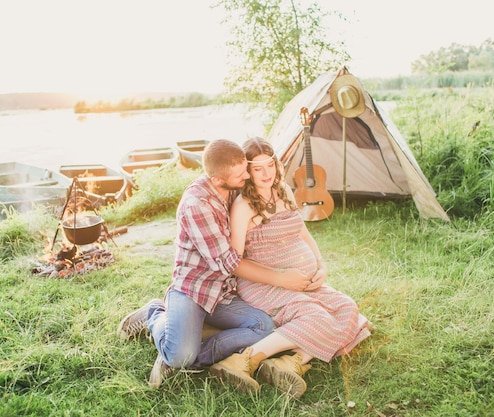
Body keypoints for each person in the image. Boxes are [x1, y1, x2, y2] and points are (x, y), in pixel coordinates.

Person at [117, 139, 314, 388]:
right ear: (219, 180)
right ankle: (155, 315)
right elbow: (229, 262)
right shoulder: (197, 206)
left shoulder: (232, 186)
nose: (248, 176)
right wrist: (278, 272)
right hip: (194, 290)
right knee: (180, 354)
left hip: (225, 293)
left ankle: (185, 350)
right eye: (243, 174)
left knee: (263, 327)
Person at [209, 137, 372, 398]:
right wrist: (281, 278)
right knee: (316, 316)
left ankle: (290, 361)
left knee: (347, 307)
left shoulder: (283, 189)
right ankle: (242, 362)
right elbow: (234, 262)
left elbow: (302, 231)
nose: (266, 173)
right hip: (264, 285)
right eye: (257, 168)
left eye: (270, 165)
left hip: (301, 279)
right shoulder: (243, 206)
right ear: (247, 171)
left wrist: (320, 264)